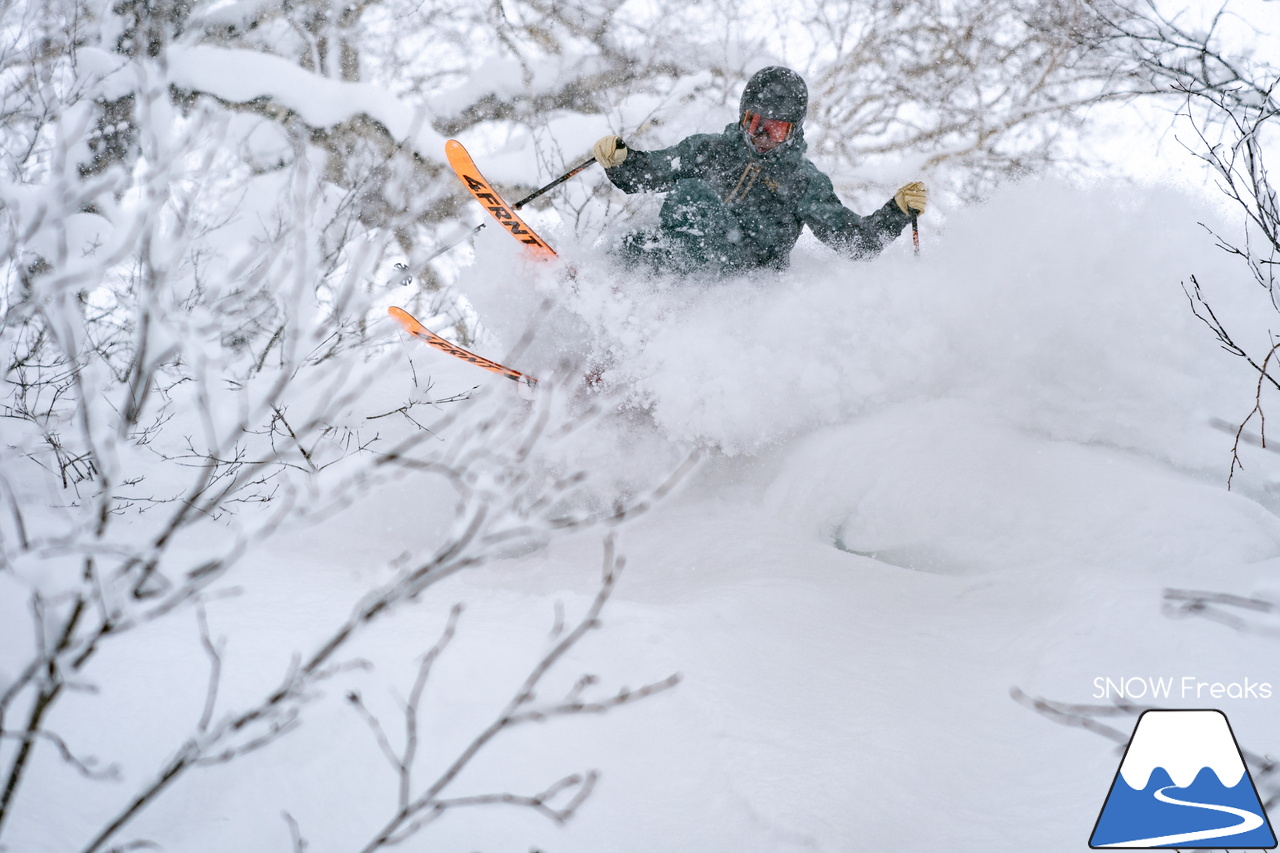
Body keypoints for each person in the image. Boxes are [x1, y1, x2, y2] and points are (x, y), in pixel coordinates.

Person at [592, 66, 926, 274]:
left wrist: (895, 213)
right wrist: (623, 162)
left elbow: (854, 242)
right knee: (633, 240)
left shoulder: (803, 181)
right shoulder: (709, 150)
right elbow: (651, 173)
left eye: (776, 129)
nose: (762, 137)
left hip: (746, 274)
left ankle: (658, 296)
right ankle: (603, 295)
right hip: (685, 259)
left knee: (693, 195)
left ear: (793, 131)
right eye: (755, 123)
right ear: (742, 117)